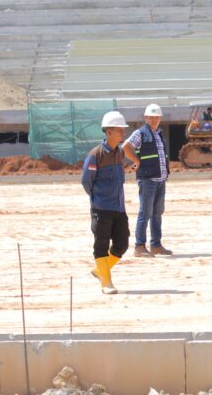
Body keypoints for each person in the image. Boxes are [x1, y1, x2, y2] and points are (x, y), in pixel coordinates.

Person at [81, 111, 130, 295]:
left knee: (122, 244)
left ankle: (101, 270)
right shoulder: (96, 155)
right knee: (101, 245)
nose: (122, 134)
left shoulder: (120, 152)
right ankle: (106, 283)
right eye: (119, 130)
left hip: (118, 207)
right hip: (101, 209)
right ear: (108, 131)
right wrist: (97, 199)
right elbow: (87, 181)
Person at [123, 103, 172, 257]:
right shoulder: (141, 133)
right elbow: (126, 147)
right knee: (145, 212)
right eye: (151, 117)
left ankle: (156, 245)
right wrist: (135, 161)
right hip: (148, 179)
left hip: (160, 179)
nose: (154, 120)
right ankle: (139, 246)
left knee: (157, 213)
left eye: (157, 117)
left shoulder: (159, 133)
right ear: (146, 118)